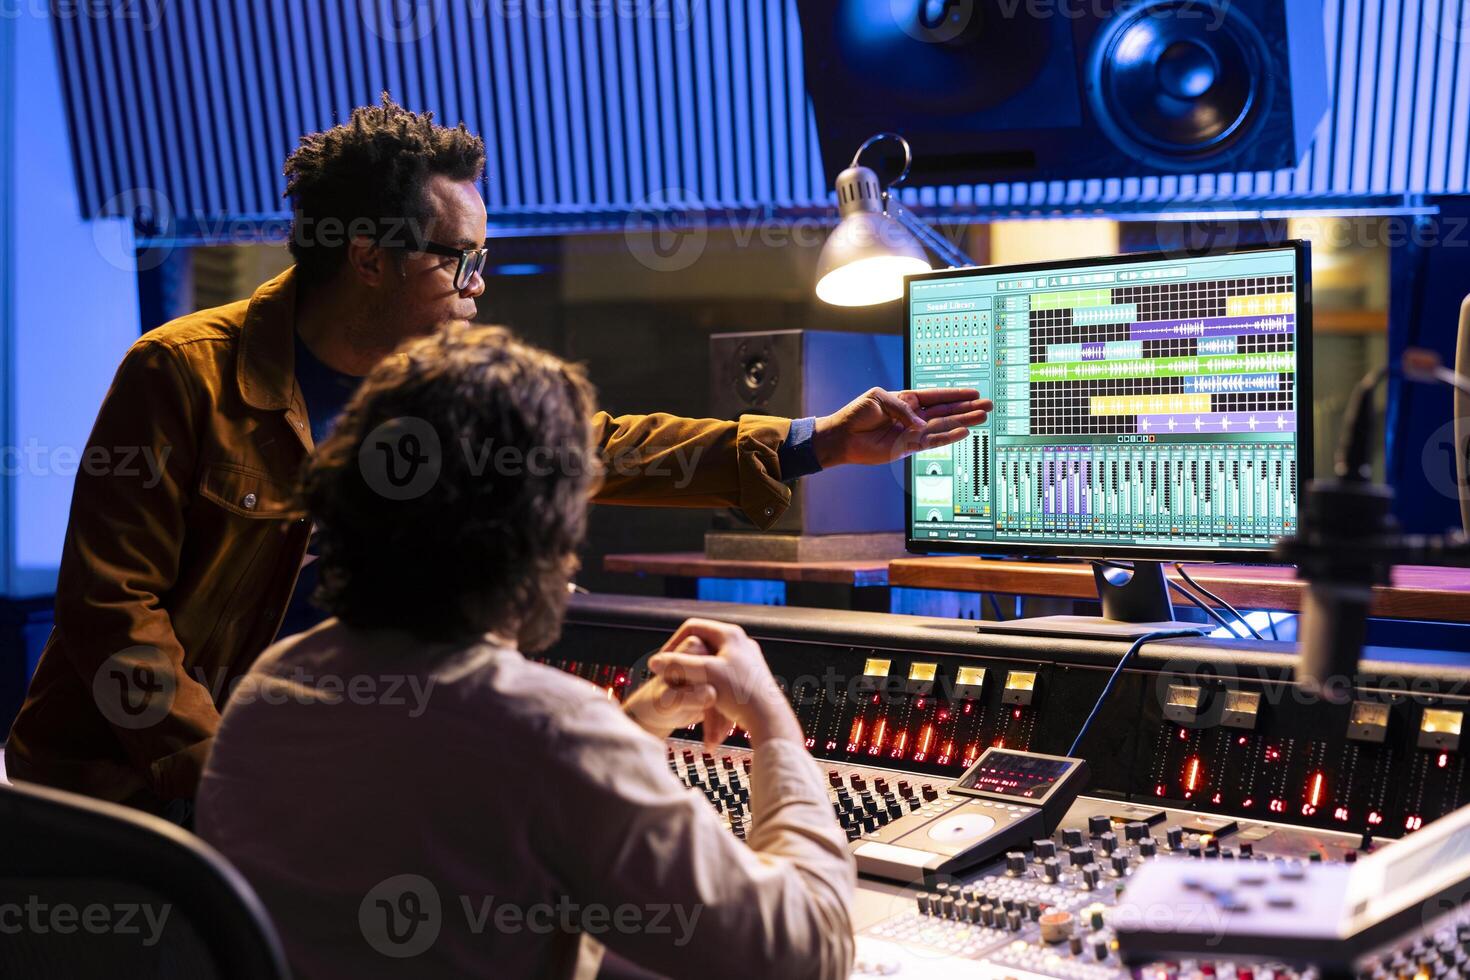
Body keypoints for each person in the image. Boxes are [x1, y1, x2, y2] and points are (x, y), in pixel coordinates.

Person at [4, 96, 990, 820]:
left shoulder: (433, 385)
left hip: (317, 779)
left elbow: (599, 444)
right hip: (135, 801)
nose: (480, 284)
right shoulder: (180, 372)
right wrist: (229, 777)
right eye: (460, 259)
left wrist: (817, 440)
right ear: (370, 257)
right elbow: (113, 615)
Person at [196, 326, 856, 978]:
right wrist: (771, 721)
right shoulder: (548, 733)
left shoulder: (271, 687)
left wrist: (634, 727)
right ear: (538, 533)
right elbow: (809, 949)